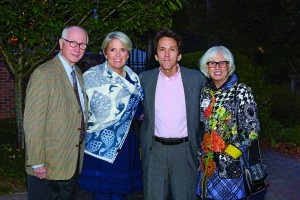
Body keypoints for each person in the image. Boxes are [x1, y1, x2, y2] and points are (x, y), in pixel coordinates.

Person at [139, 29, 207, 200]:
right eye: (162, 49)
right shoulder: (144, 80)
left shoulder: (197, 79)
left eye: (172, 49)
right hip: (155, 152)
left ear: (179, 55)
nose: (167, 54)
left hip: (185, 152)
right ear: (156, 55)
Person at [24, 25, 88, 200]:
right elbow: (33, 122)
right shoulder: (44, 74)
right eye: (73, 42)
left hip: (71, 162)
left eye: (82, 45)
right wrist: (37, 162)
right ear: (61, 43)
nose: (78, 48)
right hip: (48, 167)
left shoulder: (78, 73)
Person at [79, 31, 144, 200]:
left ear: (128, 53)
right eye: (112, 49)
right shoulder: (91, 76)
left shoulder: (133, 78)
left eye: (122, 50)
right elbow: (79, 110)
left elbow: (139, 113)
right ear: (105, 52)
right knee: (102, 194)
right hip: (99, 145)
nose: (117, 55)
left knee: (119, 194)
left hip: (124, 144)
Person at [196, 46, 260, 199]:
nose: (217, 67)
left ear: (229, 66)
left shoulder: (241, 91)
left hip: (231, 168)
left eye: (222, 63)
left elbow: (252, 130)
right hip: (207, 167)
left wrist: (229, 155)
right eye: (212, 63)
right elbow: (202, 126)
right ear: (206, 67)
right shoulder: (205, 92)